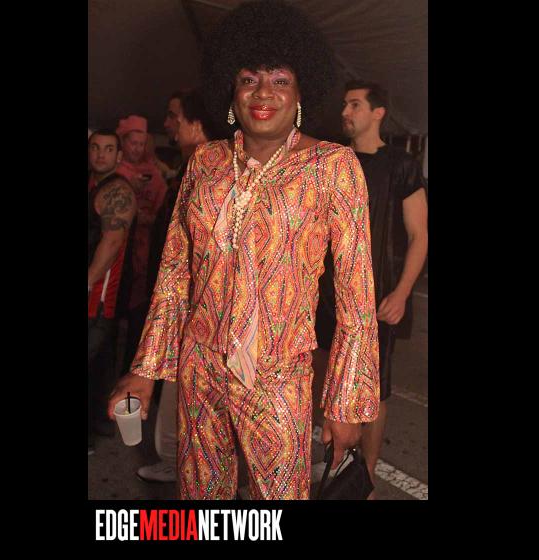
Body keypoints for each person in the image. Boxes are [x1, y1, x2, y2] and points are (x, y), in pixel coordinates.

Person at [108, 0, 379, 500]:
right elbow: (175, 273)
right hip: (200, 368)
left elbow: (356, 295)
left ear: (301, 92)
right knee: (202, 503)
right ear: (230, 91)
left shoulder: (333, 167)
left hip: (279, 376)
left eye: (280, 80)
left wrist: (346, 403)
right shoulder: (205, 162)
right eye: (249, 78)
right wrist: (146, 370)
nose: (263, 92)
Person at [316, 82, 428, 498]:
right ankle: (330, 460)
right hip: (324, 296)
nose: (345, 111)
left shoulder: (400, 164)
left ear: (378, 112)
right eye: (344, 104)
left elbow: (419, 235)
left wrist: (401, 294)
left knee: (372, 391)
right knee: (321, 378)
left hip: (375, 298)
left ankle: (366, 479)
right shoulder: (330, 158)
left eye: (355, 104)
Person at [137, 89, 218, 484]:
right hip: (176, 301)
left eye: (175, 116)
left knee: (182, 391)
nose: (168, 124)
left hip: (194, 308)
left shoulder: (208, 170)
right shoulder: (189, 166)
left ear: (196, 123)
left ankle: (181, 464)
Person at [88, 129, 137, 454]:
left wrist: (88, 281)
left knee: (95, 364)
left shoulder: (118, 190)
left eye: (108, 149)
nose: (100, 154)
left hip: (99, 298)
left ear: (119, 156)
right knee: (99, 365)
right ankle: (98, 427)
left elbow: (113, 241)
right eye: (95, 148)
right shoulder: (95, 185)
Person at [115, 115, 168, 379]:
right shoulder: (115, 172)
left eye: (140, 143)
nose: (136, 148)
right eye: (132, 143)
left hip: (144, 253)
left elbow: (162, 211)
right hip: (118, 251)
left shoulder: (154, 174)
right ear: (123, 143)